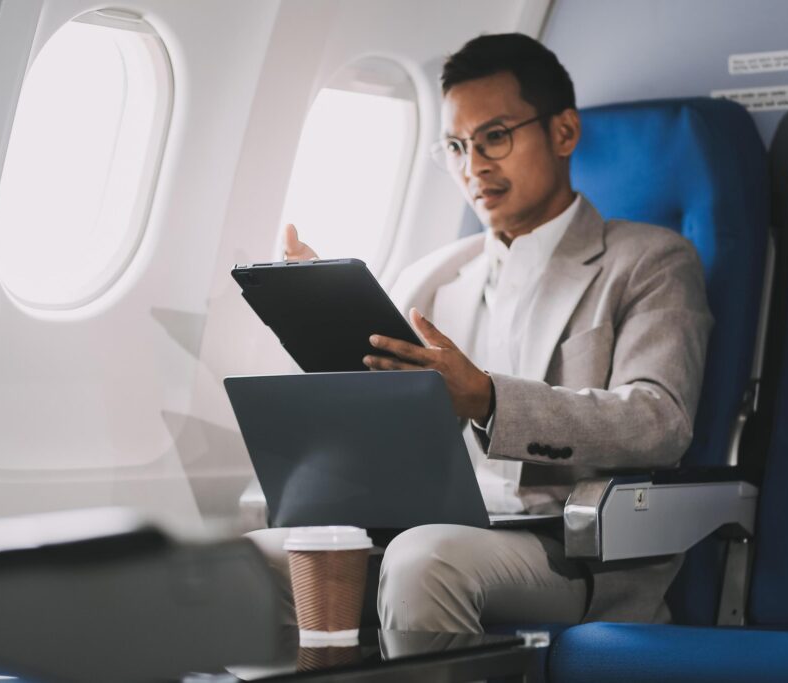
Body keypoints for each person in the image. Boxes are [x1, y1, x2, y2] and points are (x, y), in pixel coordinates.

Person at [248, 32, 712, 633]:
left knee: (424, 563)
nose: (474, 167)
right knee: (247, 560)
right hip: (426, 523)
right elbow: (374, 400)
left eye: (494, 137)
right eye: (456, 146)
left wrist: (490, 400)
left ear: (564, 132)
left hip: (569, 546)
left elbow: (659, 421)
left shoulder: (649, 261)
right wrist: (318, 313)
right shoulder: (434, 273)